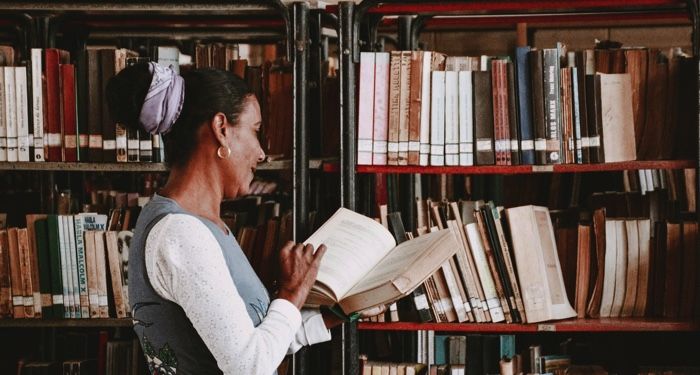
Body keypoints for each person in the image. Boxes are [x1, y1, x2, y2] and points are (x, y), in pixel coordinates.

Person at [106, 62, 342, 374]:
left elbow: (258, 342)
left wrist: (338, 313)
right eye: (255, 131)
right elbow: (249, 366)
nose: (261, 153)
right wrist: (291, 294)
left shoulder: (201, 225)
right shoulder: (180, 234)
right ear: (221, 129)